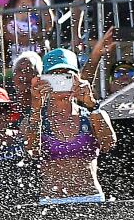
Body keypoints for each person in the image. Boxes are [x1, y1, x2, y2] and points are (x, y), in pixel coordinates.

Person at [24, 49, 115, 204]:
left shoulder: (91, 114)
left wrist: (91, 104)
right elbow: (31, 150)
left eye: (66, 75)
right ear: (44, 80)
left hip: (90, 198)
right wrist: (36, 106)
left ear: (77, 78)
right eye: (55, 76)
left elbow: (108, 144)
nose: (61, 81)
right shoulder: (36, 117)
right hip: (52, 201)